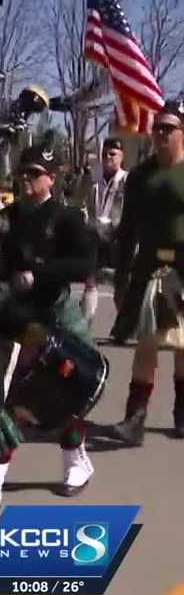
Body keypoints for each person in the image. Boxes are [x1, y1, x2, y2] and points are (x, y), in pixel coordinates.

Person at [0, 139, 99, 516]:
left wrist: (39, 273)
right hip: (16, 316)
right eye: (22, 173)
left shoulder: (67, 217)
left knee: (66, 397)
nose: (26, 180)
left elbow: (85, 262)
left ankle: (76, 459)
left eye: (35, 174)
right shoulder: (8, 217)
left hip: (55, 315)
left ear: (52, 178)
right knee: (7, 399)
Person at [111, 100, 184, 443]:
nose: (159, 134)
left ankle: (182, 415)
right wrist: (121, 275)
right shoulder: (140, 176)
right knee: (147, 343)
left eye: (167, 128)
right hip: (152, 269)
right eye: (156, 127)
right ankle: (134, 419)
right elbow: (127, 230)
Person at [81, 138, 129, 325]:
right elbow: (81, 201)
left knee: (120, 286)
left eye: (112, 154)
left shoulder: (127, 180)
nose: (108, 157)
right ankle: (84, 324)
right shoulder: (94, 179)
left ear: (121, 156)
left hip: (118, 236)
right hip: (94, 235)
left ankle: (125, 326)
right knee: (89, 279)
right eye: (105, 154)